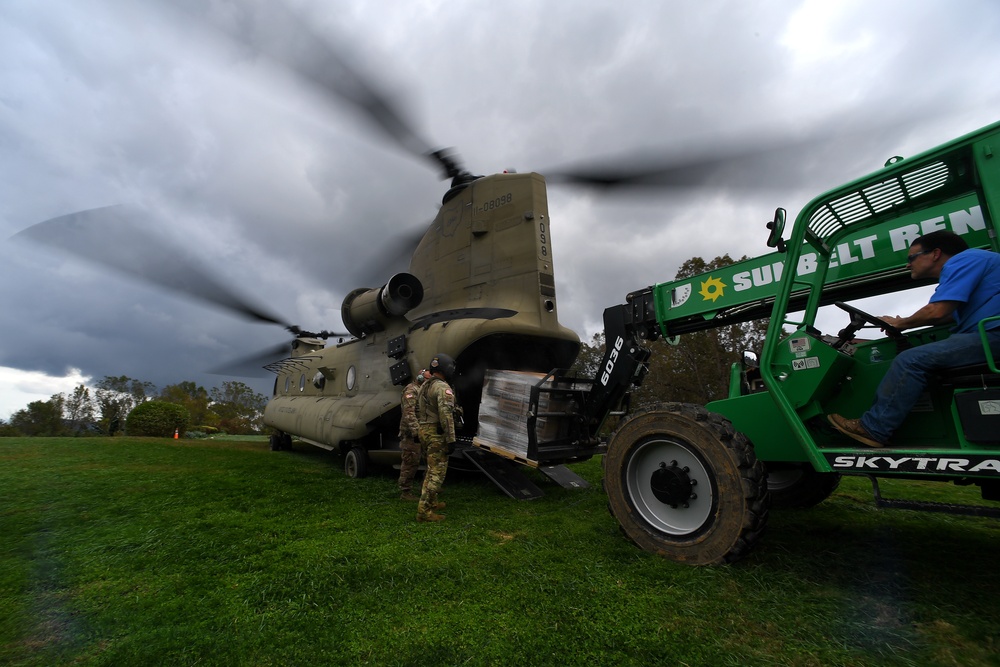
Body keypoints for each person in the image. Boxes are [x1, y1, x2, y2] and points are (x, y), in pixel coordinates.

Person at [828, 230, 1000, 447]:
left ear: (935, 253)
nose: (908, 265)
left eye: (912, 258)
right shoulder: (977, 265)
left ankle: (873, 428)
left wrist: (901, 323)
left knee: (910, 360)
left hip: (993, 336)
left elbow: (936, 311)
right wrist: (904, 322)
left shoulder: (965, 260)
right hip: (987, 335)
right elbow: (946, 315)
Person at [415, 353, 458, 522]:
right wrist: (451, 438)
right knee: (436, 474)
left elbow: (418, 411)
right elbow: (446, 414)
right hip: (436, 433)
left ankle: (432, 503)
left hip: (425, 430)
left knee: (431, 469)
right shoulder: (441, 388)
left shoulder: (424, 386)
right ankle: (424, 512)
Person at [397, 369, 427, 501]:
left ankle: (425, 487)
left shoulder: (423, 390)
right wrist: (416, 432)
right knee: (410, 462)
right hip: (411, 434)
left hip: (423, 431)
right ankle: (405, 491)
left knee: (429, 460)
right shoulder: (411, 390)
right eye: (426, 379)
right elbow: (409, 413)